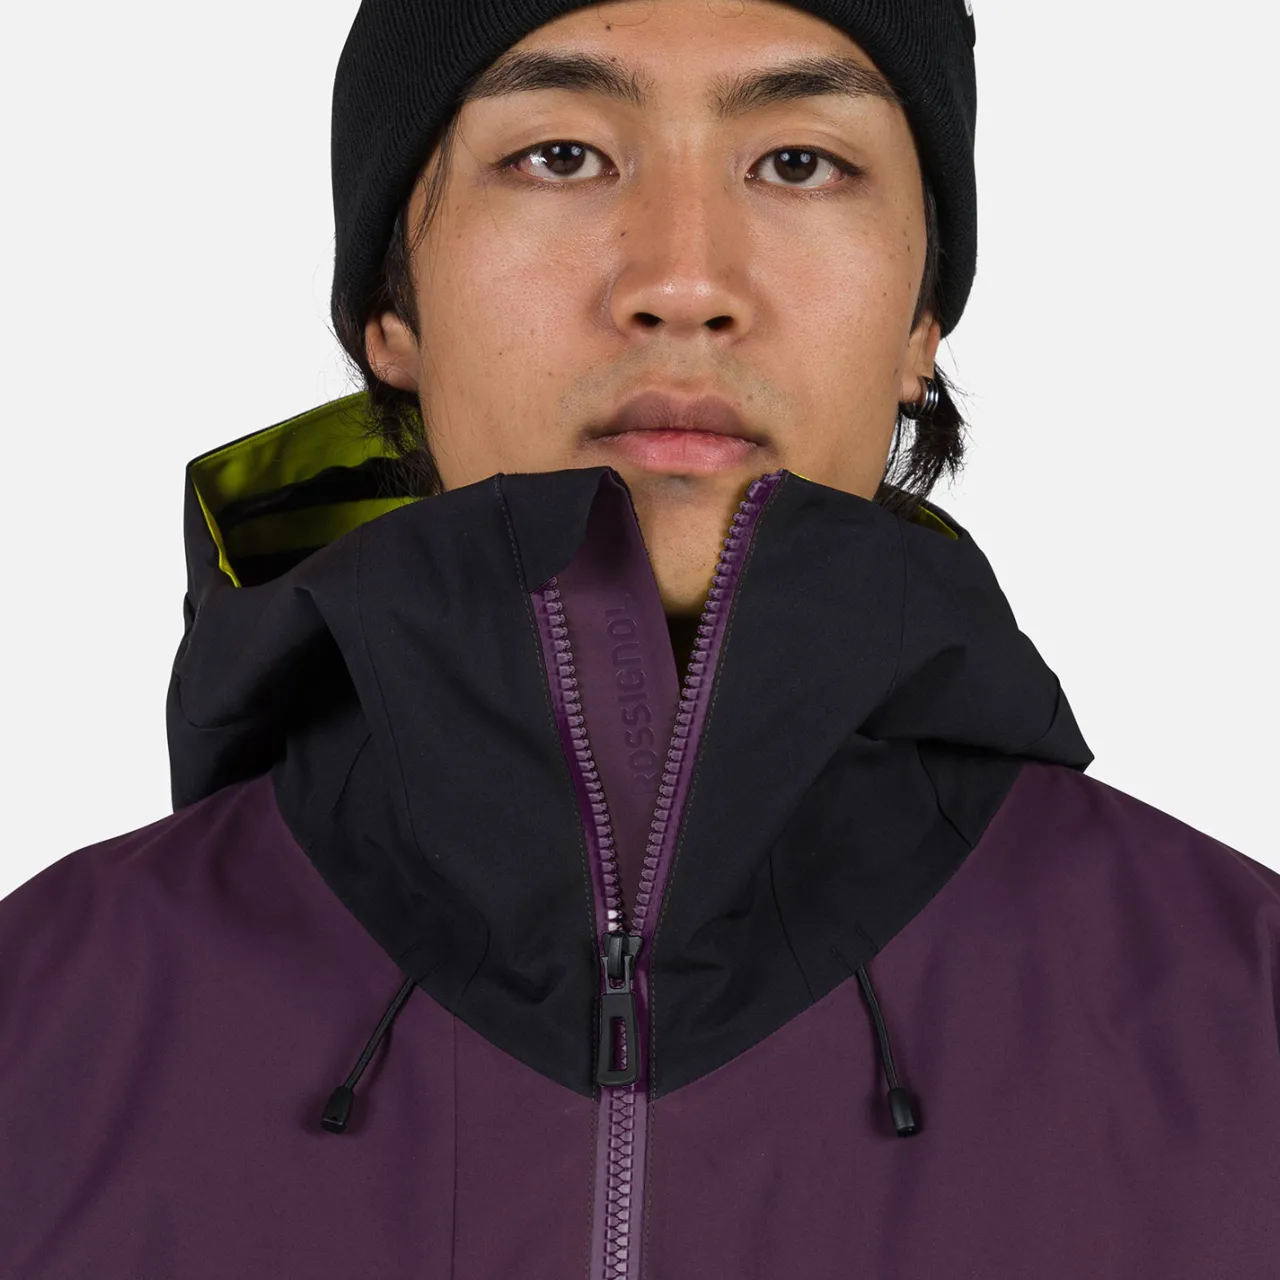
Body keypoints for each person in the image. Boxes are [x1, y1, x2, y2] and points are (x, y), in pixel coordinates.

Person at [2, 0, 1277, 1276]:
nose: (681, 282)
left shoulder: (1246, 1018)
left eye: (798, 162)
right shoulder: (36, 1029)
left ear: (918, 323)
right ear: (390, 312)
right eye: (558, 156)